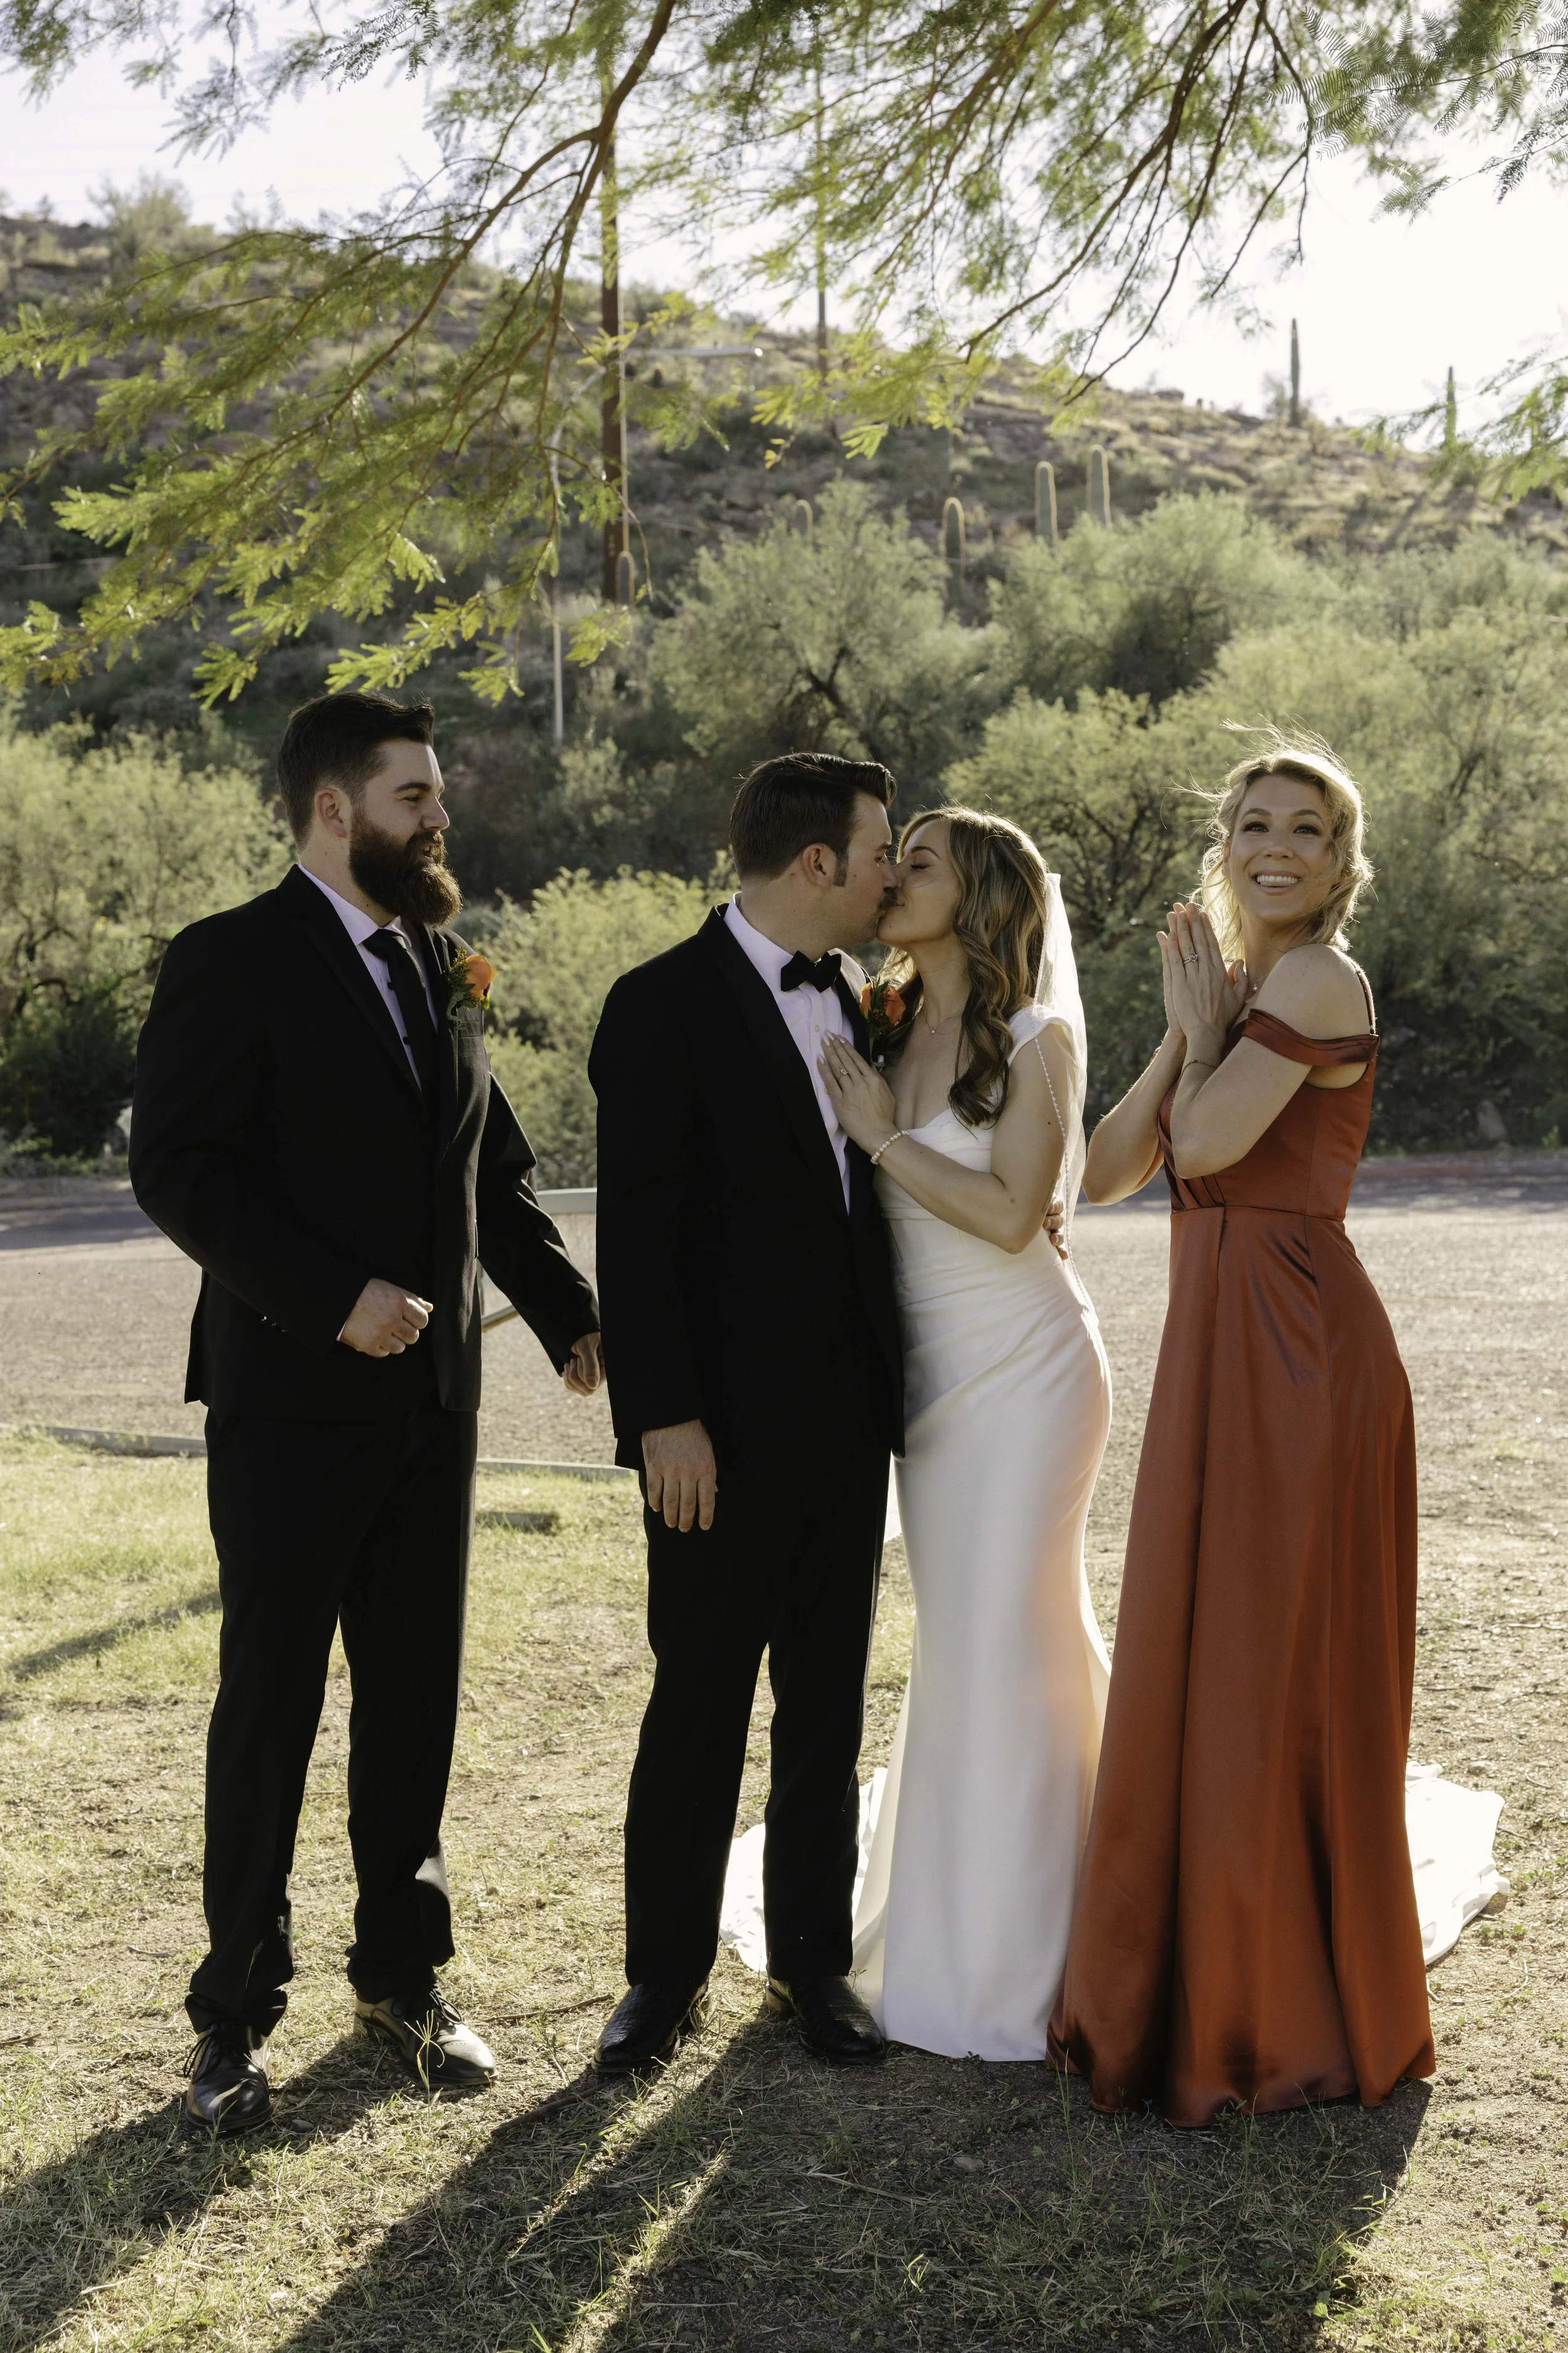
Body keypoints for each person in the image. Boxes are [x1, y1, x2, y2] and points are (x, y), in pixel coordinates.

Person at [130, 690, 601, 2134]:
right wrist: (332, 1296)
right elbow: (183, 1174)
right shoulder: (230, 959)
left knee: (414, 1697)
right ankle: (232, 2019)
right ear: (333, 809)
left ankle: (404, 1979)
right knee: (270, 1702)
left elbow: (490, 1168)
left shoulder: (441, 958)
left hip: (434, 1407)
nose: (436, 817)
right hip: (289, 1402)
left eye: (435, 793)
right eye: (412, 796)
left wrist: (571, 1310)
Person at [1049, 732, 1435, 2126]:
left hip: (1296, 1353)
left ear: (1339, 865)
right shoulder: (1242, 988)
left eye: (1307, 829)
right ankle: (1188, 1980)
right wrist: (1175, 1034)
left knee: (1270, 1667)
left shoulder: (1320, 977)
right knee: (1202, 1656)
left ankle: (1270, 2004)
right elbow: (1103, 1171)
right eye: (1252, 823)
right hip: (1225, 1350)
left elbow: (1204, 1153)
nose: (1275, 844)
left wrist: (1203, 1041)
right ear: (1223, 847)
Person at [588, 752, 905, 2074]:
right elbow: (639, 1231)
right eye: (880, 850)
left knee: (825, 1704)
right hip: (713, 1438)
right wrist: (664, 1418)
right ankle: (659, 1978)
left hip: (849, 1426)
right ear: (816, 863)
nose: (893, 873)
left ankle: (810, 1966)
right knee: (700, 1699)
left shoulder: (863, 1001)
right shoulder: (658, 1004)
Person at [814, 808, 1112, 2060]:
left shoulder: (1034, 1038)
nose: (891, 876)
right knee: (969, 1644)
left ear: (977, 893)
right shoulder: (876, 1024)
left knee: (1003, 1629)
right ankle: (951, 1923)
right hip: (925, 1388)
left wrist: (881, 1134)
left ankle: (1041, 1946)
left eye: (917, 861)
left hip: (1029, 1371)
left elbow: (1008, 1215)